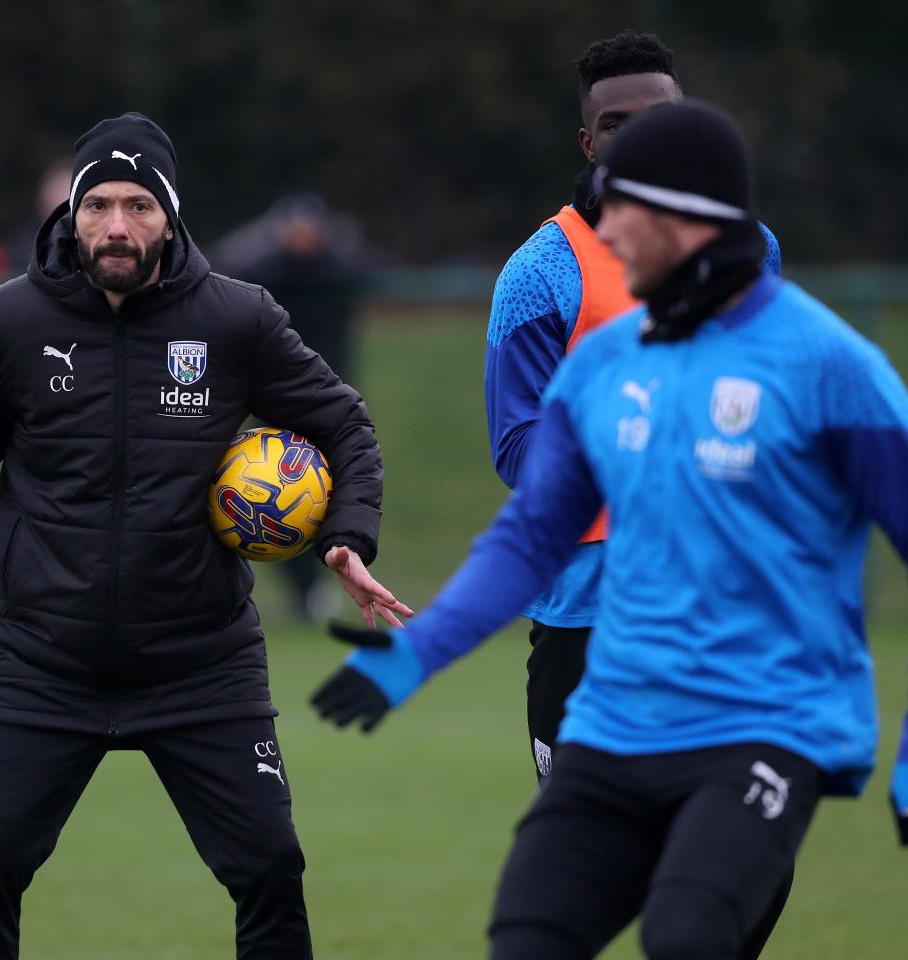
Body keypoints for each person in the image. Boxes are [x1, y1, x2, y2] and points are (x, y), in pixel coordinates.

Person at [0, 112, 411, 960]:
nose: (116, 226)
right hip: (40, 659)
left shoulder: (238, 319)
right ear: (72, 213)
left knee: (270, 864)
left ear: (169, 214)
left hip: (199, 659)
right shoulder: (12, 320)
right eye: (99, 205)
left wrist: (346, 534)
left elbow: (344, 424)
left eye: (137, 205)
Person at [312, 100, 908, 958]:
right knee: (528, 939)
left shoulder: (830, 369)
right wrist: (417, 653)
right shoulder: (605, 364)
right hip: (618, 724)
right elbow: (529, 537)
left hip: (765, 724)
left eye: (623, 206)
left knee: (688, 935)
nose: (606, 228)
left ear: (691, 215)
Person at [485, 29, 781, 787]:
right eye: (618, 124)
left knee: (746, 869)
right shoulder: (539, 272)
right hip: (585, 618)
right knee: (592, 877)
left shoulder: (753, 252)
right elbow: (518, 447)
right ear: (590, 143)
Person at [213, 192, 371, 622]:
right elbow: (231, 267)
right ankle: (298, 588)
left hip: (329, 400)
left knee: (328, 496)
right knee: (272, 497)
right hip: (276, 401)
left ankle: (323, 579)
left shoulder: (336, 271)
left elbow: (362, 269)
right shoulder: (268, 273)